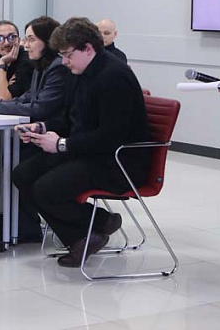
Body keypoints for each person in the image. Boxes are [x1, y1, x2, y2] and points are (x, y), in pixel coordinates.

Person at [14, 17, 149, 268]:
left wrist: (62, 145)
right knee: (23, 174)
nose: (64, 61)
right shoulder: (80, 71)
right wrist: (42, 128)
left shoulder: (114, 76)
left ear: (88, 48)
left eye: (67, 55)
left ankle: (88, 232)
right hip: (88, 152)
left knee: (45, 188)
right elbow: (70, 119)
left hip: (118, 161)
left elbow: (110, 136)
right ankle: (92, 229)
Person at [0, 16, 68, 241]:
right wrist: (0, 104)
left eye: (30, 39)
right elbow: (28, 97)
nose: (24, 45)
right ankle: (18, 222)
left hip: (58, 135)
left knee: (19, 158)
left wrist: (0, 106)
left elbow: (41, 107)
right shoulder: (42, 65)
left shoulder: (58, 68)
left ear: (47, 41)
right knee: (10, 151)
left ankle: (24, 225)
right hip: (42, 131)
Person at [0, 20, 34, 103]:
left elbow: (5, 99)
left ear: (19, 40)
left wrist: (2, 64)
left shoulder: (27, 61)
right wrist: (6, 86)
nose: (6, 43)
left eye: (12, 37)